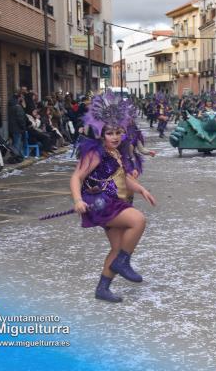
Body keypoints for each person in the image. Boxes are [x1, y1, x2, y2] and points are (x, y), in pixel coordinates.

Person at [72, 92, 156, 302]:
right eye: (110, 133)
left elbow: (123, 178)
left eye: (118, 132)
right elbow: (76, 177)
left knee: (117, 248)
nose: (115, 137)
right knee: (138, 220)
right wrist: (77, 200)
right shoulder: (95, 153)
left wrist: (140, 189)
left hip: (116, 201)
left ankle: (103, 288)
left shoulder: (117, 153)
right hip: (101, 203)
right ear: (101, 134)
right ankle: (122, 262)